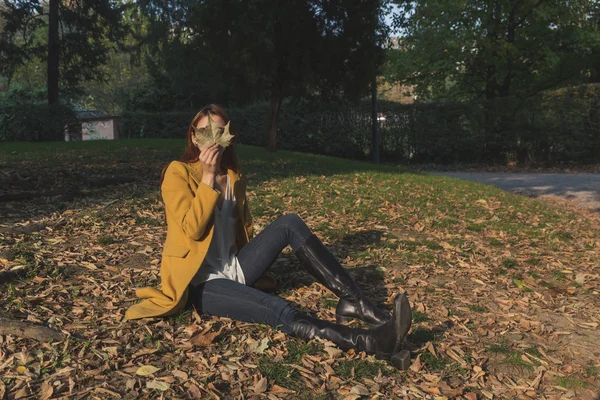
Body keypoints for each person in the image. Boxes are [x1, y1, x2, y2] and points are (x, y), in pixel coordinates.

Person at [125, 104, 412, 363]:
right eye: (204, 131)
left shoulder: (234, 177)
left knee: (289, 223)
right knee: (276, 307)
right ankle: (369, 342)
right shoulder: (177, 173)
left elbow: (240, 234)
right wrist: (208, 176)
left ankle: (355, 301)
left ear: (229, 135)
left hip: (235, 267)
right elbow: (193, 229)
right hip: (200, 282)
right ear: (193, 137)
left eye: (219, 130)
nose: (212, 138)